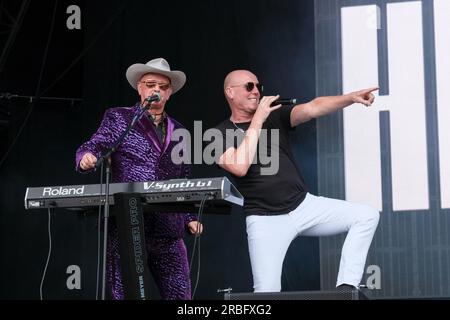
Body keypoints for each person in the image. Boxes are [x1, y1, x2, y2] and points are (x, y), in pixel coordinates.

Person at [214, 70, 380, 292]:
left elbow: (313, 107)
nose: (256, 91)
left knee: (366, 215)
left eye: (258, 86)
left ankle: (346, 287)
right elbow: (239, 166)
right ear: (230, 92)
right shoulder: (216, 134)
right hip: (264, 219)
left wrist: (350, 98)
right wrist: (258, 120)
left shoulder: (275, 116)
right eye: (249, 86)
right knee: (266, 293)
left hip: (303, 205)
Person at [75, 58, 203, 300]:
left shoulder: (180, 131)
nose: (156, 90)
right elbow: (93, 145)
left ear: (169, 93)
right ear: (139, 87)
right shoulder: (119, 118)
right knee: (123, 294)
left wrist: (189, 217)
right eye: (150, 84)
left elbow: (183, 176)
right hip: (127, 223)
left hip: (168, 228)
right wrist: (86, 157)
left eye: (162, 86)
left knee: (180, 297)